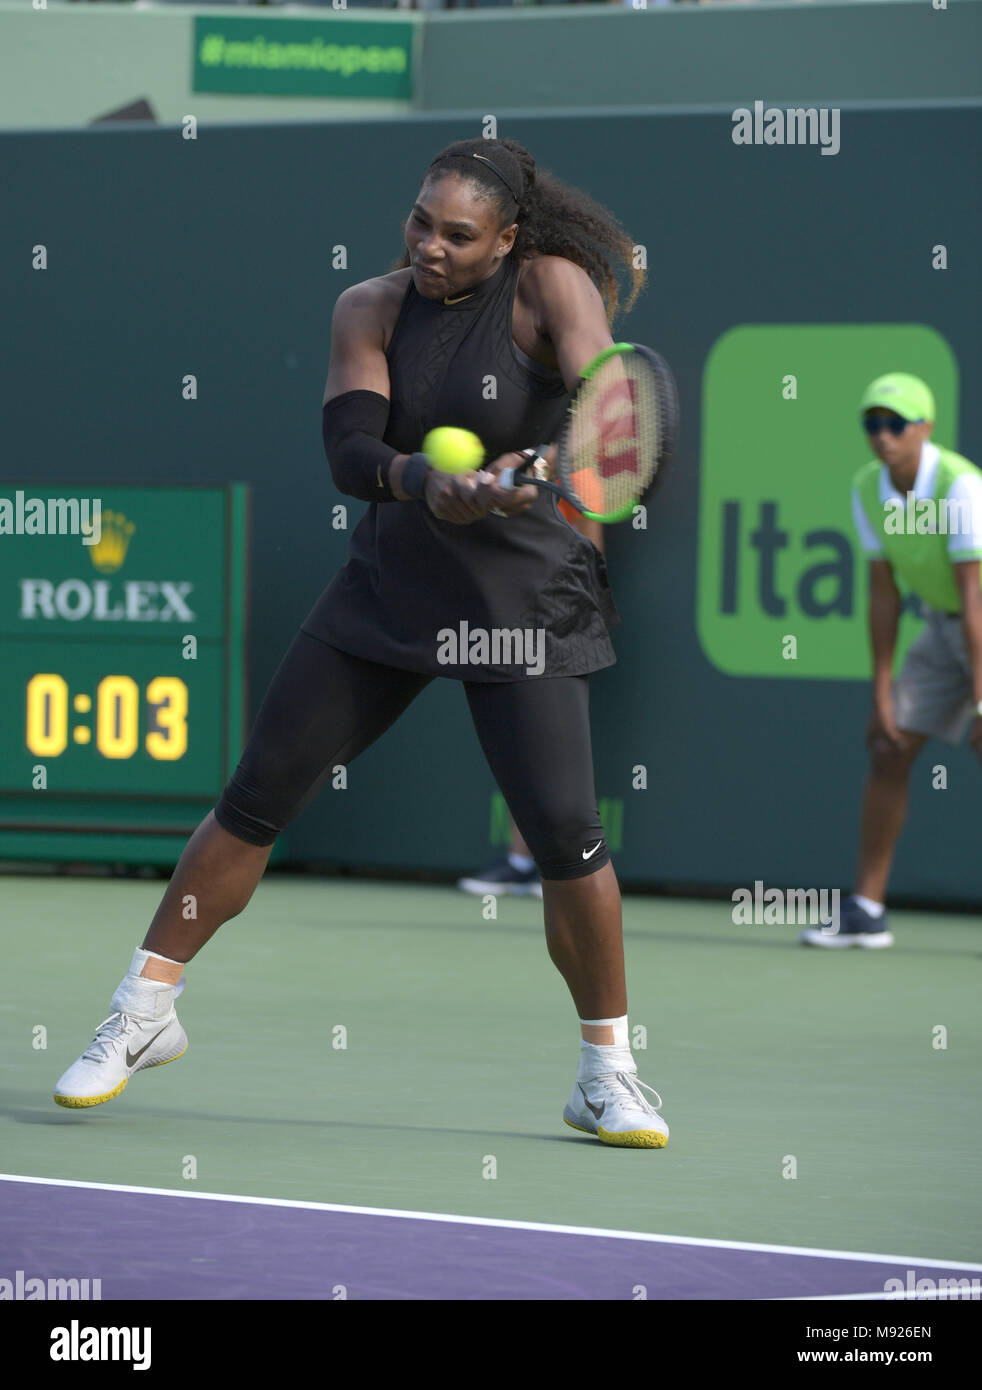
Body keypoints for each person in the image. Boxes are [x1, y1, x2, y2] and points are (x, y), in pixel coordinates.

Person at [54, 136, 669, 1148]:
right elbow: (350, 450)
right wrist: (429, 483)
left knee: (566, 837)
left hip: (526, 599)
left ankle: (607, 1071)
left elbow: (609, 407)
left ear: (507, 239)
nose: (430, 245)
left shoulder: (553, 286)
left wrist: (537, 465)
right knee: (256, 798)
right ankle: (144, 1011)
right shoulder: (370, 308)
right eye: (419, 222)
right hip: (393, 588)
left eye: (458, 235)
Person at [801, 373, 982, 949]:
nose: (883, 436)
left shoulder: (959, 486)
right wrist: (881, 692)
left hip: (977, 619)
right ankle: (866, 911)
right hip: (942, 625)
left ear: (925, 429)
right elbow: (884, 593)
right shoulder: (866, 487)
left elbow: (975, 601)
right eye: (873, 424)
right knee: (889, 743)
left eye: (895, 424)